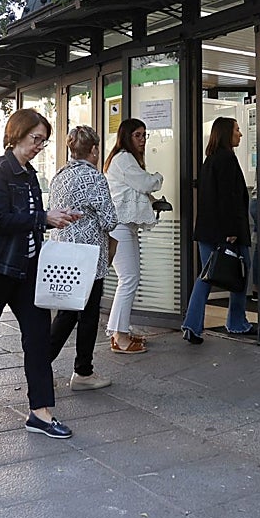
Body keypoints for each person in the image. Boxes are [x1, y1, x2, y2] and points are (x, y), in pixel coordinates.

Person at [0, 108, 80, 438]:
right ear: (17, 135)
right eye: (36, 138)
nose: (39, 145)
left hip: (26, 270)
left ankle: (41, 412)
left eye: (44, 141)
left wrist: (53, 218)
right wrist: (43, 219)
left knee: (37, 338)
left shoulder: (29, 172)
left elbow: (31, 219)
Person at [48, 125, 118, 390]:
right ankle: (81, 372)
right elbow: (110, 220)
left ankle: (51, 364)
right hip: (88, 257)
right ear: (94, 150)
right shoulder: (94, 178)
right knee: (84, 315)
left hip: (64, 253)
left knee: (68, 311)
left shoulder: (60, 175)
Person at [182, 116, 255, 343]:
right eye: (237, 130)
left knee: (207, 275)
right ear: (226, 133)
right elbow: (228, 198)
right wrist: (231, 231)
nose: (240, 134)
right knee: (240, 271)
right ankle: (236, 323)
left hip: (208, 229)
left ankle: (192, 325)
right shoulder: (226, 159)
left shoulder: (211, 160)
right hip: (227, 230)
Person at [104, 118, 163, 354]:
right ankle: (119, 336)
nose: (142, 140)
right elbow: (146, 184)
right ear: (126, 137)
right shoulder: (124, 159)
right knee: (128, 279)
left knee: (128, 279)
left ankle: (121, 332)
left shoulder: (125, 160)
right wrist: (159, 177)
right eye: (137, 135)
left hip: (125, 226)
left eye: (144, 135)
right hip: (120, 226)